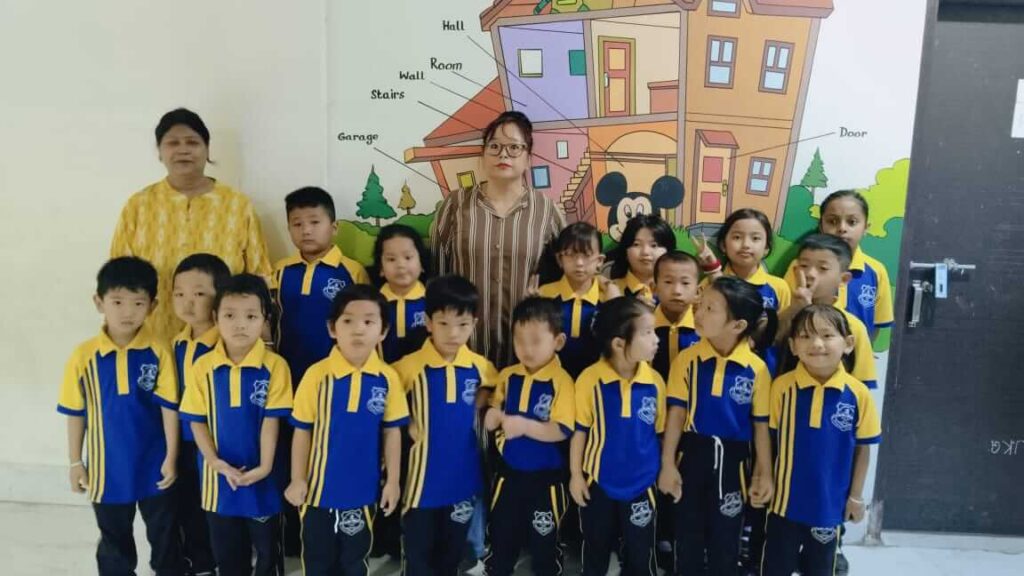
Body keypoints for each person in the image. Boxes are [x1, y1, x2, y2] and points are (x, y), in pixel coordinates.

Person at [58, 256, 185, 575]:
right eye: (117, 302)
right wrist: (75, 462)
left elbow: (169, 407)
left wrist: (171, 457)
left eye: (138, 303)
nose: (127, 312)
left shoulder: (158, 350)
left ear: (153, 306)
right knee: (114, 540)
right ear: (99, 302)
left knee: (165, 534)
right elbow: (75, 413)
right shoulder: (83, 356)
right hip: (107, 468)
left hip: (155, 464)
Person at [111, 108, 271, 343]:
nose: (183, 150)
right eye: (173, 143)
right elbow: (118, 280)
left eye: (192, 142)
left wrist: (264, 342)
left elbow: (260, 279)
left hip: (224, 346)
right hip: (153, 342)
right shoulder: (138, 206)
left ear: (207, 149)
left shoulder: (237, 206)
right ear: (159, 151)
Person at [284, 285, 409, 576]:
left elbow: (392, 432)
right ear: (332, 328)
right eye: (348, 320)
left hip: (363, 491)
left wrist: (392, 482)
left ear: (383, 331)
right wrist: (297, 478)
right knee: (317, 560)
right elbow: (302, 431)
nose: (358, 329)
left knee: (355, 560)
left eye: (368, 321)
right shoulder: (316, 375)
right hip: (316, 492)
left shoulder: (388, 378)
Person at [659, 277, 775, 576]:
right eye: (700, 305)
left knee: (727, 537)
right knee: (687, 533)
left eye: (710, 308)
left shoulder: (757, 369)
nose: (698, 313)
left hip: (734, 462)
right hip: (692, 455)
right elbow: (676, 415)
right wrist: (668, 464)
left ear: (737, 325)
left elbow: (761, 425)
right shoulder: (687, 360)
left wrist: (763, 473)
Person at [431, 111, 564, 369]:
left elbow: (562, 279)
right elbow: (437, 275)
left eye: (514, 147)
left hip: (526, 357)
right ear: (482, 156)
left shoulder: (547, 211)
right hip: (462, 352)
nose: (503, 155)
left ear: (528, 159)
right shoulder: (455, 205)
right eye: (494, 146)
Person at [180, 274, 292, 576]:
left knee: (268, 554)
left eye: (251, 316)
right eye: (230, 315)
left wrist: (265, 467)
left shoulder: (275, 367)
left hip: (264, 480)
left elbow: (272, 422)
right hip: (218, 483)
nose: (240, 324)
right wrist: (215, 462)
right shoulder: (202, 367)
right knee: (228, 555)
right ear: (215, 317)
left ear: (265, 320)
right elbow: (196, 420)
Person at [762, 305, 880, 576]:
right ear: (793, 346)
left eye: (827, 335)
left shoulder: (858, 394)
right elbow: (768, 439)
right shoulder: (781, 388)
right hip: (783, 503)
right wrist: (763, 477)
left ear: (848, 344)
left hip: (830, 506)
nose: (816, 344)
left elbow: (863, 448)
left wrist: (856, 497)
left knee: (821, 568)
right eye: (805, 336)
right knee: (775, 567)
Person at [394, 276, 499, 576]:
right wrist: (407, 422)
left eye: (463, 324)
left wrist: (485, 399)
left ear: (474, 324)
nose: (453, 333)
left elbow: (498, 389)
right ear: (428, 323)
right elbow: (386, 399)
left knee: (453, 553)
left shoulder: (480, 366)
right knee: (418, 553)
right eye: (443, 323)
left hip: (464, 476)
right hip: (421, 482)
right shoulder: (408, 366)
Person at [570, 297, 666, 576]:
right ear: (619, 343)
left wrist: (662, 471)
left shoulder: (655, 382)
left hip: (642, 482)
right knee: (596, 546)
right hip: (597, 481)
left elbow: (659, 434)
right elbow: (579, 432)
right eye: (647, 333)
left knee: (641, 550)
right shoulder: (590, 380)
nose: (656, 340)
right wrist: (576, 475)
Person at [483, 297, 575, 576]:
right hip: (508, 473)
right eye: (520, 341)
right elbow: (494, 410)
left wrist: (524, 426)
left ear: (558, 341)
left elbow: (561, 430)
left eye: (536, 341)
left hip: (546, 479)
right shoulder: (508, 375)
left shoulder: (562, 381)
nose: (527, 349)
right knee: (501, 530)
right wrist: (493, 415)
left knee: (544, 536)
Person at [170, 253, 231, 575]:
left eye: (199, 293)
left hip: (217, 440)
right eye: (179, 294)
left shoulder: (226, 344)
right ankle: (200, 560)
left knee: (217, 505)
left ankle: (226, 558)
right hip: (183, 440)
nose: (187, 303)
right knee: (189, 502)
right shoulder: (177, 343)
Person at [273, 186, 371, 385]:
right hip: (287, 373)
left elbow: (368, 321)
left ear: (334, 227)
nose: (306, 230)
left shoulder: (353, 272)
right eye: (297, 224)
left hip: (339, 374)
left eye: (315, 222)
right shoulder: (279, 271)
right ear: (289, 229)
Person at [785, 190, 893, 339]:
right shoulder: (800, 267)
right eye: (832, 221)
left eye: (852, 222)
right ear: (821, 226)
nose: (842, 228)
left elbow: (875, 326)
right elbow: (785, 315)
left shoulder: (876, 271)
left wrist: (861, 349)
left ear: (865, 228)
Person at [782, 234, 877, 389]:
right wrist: (795, 309)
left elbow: (862, 386)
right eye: (804, 266)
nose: (810, 274)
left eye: (823, 268)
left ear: (844, 279)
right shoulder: (786, 315)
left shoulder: (853, 326)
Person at [537, 222, 620, 379]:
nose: (579, 263)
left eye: (587, 255)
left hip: (596, 380)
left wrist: (614, 303)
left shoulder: (607, 297)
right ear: (560, 259)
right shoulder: (545, 294)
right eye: (571, 255)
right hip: (552, 379)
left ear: (600, 261)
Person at [372, 224, 431, 364]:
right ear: (381, 268)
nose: (401, 265)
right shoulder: (371, 304)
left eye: (408, 257)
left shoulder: (433, 301)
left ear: (422, 263)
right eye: (391, 259)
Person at [650, 251, 701, 380]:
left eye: (685, 283)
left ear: (697, 291)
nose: (677, 291)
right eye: (668, 282)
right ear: (654, 288)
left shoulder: (704, 326)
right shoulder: (643, 325)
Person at [608, 214, 675, 304]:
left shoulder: (677, 290)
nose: (645, 252)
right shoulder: (611, 290)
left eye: (654, 245)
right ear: (625, 251)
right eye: (636, 244)